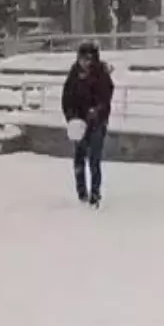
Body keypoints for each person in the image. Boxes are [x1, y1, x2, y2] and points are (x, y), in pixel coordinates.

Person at [62, 42, 115, 207]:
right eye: (81, 59)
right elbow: (66, 98)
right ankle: (81, 192)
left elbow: (105, 98)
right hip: (79, 123)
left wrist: (96, 112)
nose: (84, 63)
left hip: (96, 124)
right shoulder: (73, 75)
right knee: (79, 158)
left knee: (94, 159)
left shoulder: (101, 76)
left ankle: (95, 193)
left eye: (87, 59)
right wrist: (71, 116)